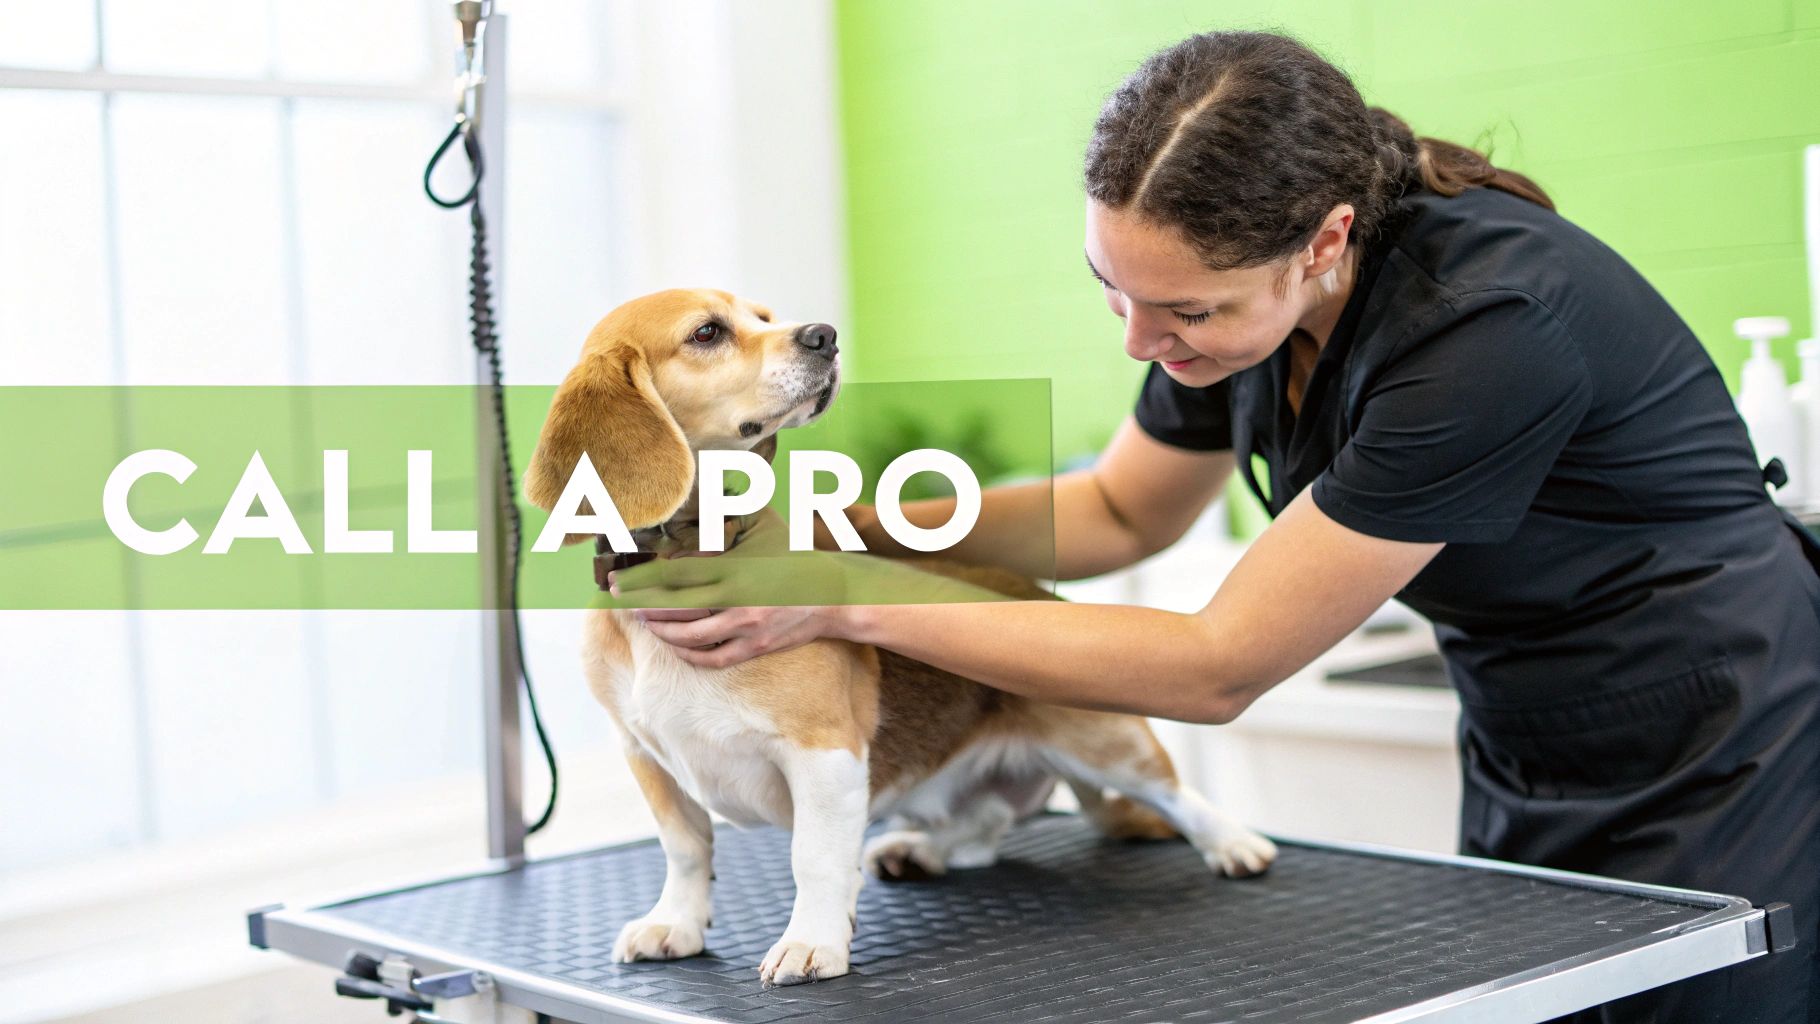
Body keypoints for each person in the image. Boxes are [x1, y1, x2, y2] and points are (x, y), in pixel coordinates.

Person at [610, 29, 1819, 1024]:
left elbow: (1216, 662)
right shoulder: (1223, 309)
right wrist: (845, 519)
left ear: (1325, 244)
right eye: (1113, 292)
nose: (1140, 342)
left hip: (1724, 740)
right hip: (1519, 721)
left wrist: (844, 593)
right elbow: (1113, 507)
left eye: (1183, 309)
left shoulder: (1485, 329)